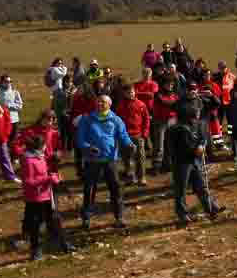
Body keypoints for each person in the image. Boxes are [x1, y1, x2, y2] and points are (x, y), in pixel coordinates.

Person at [77, 95, 135, 229]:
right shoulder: (86, 119)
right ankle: (86, 218)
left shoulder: (116, 120)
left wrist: (129, 144)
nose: (100, 104)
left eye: (103, 102)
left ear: (109, 104)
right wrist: (88, 147)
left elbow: (123, 135)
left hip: (110, 159)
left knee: (115, 188)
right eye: (98, 102)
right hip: (92, 160)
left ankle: (119, 217)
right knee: (89, 189)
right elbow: (80, 139)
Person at [167, 100, 221, 226]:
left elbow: (201, 137)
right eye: (194, 116)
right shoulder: (177, 129)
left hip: (194, 161)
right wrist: (196, 149)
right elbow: (182, 147)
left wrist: (202, 144)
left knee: (201, 185)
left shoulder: (194, 125)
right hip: (182, 163)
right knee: (181, 189)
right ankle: (182, 214)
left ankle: (211, 207)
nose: (196, 118)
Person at [18, 135, 71, 260]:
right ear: (39, 147)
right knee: (37, 225)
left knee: (55, 220)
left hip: (47, 194)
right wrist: (47, 179)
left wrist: (54, 176)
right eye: (45, 146)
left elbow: (45, 171)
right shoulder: (28, 160)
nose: (46, 148)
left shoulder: (40, 157)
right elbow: (28, 181)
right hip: (36, 198)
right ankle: (36, 251)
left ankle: (65, 245)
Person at [115, 85, 151, 186]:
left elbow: (146, 119)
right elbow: (117, 121)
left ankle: (141, 177)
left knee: (140, 157)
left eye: (132, 92)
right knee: (127, 157)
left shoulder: (141, 104)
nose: (130, 94)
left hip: (138, 135)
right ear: (124, 94)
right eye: (128, 93)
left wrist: (145, 133)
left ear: (135, 92)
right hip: (125, 136)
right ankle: (130, 177)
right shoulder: (120, 105)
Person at [151, 77, 179, 173]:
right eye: (168, 84)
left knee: (170, 144)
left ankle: (168, 164)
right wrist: (175, 104)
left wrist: (175, 104)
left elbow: (176, 106)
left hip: (172, 120)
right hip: (160, 121)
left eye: (171, 84)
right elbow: (164, 102)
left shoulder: (174, 95)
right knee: (159, 145)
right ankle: (156, 166)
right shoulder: (158, 95)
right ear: (163, 84)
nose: (170, 86)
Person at [0, 74, 23, 146]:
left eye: (10, 81)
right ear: (2, 82)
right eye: (6, 81)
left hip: (14, 120)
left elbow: (20, 106)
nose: (8, 83)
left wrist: (10, 105)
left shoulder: (15, 92)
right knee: (3, 140)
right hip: (3, 120)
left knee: (13, 141)